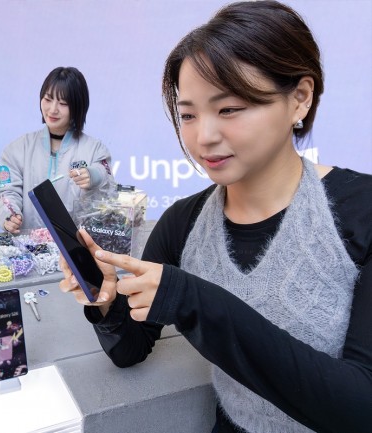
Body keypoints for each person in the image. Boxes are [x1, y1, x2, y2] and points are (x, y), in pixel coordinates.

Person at [59, 2, 372, 432]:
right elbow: (130, 349)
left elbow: (361, 408)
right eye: (188, 114)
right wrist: (106, 301)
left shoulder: (361, 210)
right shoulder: (182, 223)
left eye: (229, 109)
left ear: (300, 98)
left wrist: (194, 300)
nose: (203, 136)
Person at [0, 66, 114, 234]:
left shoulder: (95, 149)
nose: (52, 109)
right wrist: (9, 215)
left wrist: (94, 176)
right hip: (29, 245)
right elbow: (7, 192)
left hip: (77, 246)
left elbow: (108, 191)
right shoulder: (17, 149)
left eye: (63, 103)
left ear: (78, 106)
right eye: (48, 99)